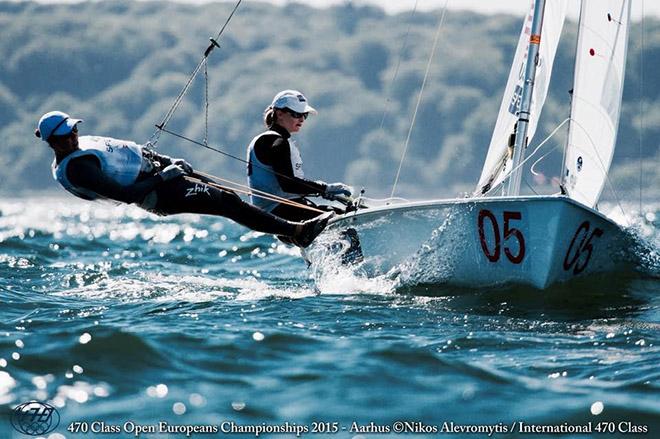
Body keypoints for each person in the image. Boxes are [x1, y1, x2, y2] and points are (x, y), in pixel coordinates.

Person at [36, 110, 332, 247]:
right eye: (65, 136)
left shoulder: (82, 145)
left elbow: (137, 152)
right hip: (158, 194)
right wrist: (165, 175)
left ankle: (288, 231)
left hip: (165, 179)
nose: (73, 137)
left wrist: (168, 163)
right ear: (52, 142)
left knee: (227, 197)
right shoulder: (76, 169)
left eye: (74, 130)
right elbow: (127, 195)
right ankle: (296, 232)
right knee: (226, 202)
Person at [246, 90, 353, 222]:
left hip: (282, 211)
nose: (301, 119)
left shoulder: (269, 139)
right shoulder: (277, 142)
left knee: (341, 212)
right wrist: (325, 188)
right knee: (346, 217)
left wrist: (323, 192)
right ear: (279, 114)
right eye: (297, 114)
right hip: (282, 213)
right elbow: (288, 184)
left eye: (305, 115)